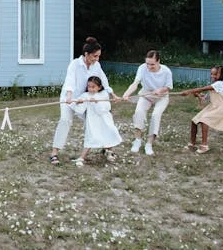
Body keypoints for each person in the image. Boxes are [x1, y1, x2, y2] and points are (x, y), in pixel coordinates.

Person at [49, 37, 116, 166]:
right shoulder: (75, 64)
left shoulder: (96, 65)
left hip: (86, 99)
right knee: (65, 121)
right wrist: (69, 97)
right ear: (86, 54)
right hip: (70, 99)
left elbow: (104, 81)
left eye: (98, 56)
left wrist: (112, 94)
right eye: (94, 56)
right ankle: (54, 153)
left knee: (98, 121)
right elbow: (70, 81)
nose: (97, 59)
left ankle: (107, 148)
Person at [121, 50, 174, 156]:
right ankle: (137, 140)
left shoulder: (166, 71)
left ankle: (149, 144)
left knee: (155, 115)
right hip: (146, 94)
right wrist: (126, 94)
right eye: (147, 64)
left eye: (152, 64)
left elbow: (169, 87)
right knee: (139, 112)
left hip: (161, 96)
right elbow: (135, 83)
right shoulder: (142, 68)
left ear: (159, 61)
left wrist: (160, 90)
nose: (149, 67)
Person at [71, 76, 122, 167]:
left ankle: (109, 151)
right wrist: (78, 102)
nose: (90, 89)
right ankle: (82, 157)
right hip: (93, 121)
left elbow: (105, 108)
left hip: (104, 119)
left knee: (108, 133)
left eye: (93, 87)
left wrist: (97, 102)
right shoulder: (86, 95)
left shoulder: (103, 95)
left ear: (99, 87)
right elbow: (79, 109)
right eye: (89, 86)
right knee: (91, 136)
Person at [179, 65, 223, 154]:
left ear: (222, 75)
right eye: (212, 74)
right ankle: (192, 144)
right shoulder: (214, 86)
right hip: (213, 107)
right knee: (194, 121)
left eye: (215, 74)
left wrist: (189, 91)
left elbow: (203, 89)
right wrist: (198, 95)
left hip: (220, 108)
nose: (212, 76)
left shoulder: (220, 84)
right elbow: (205, 98)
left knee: (204, 121)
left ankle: (204, 146)